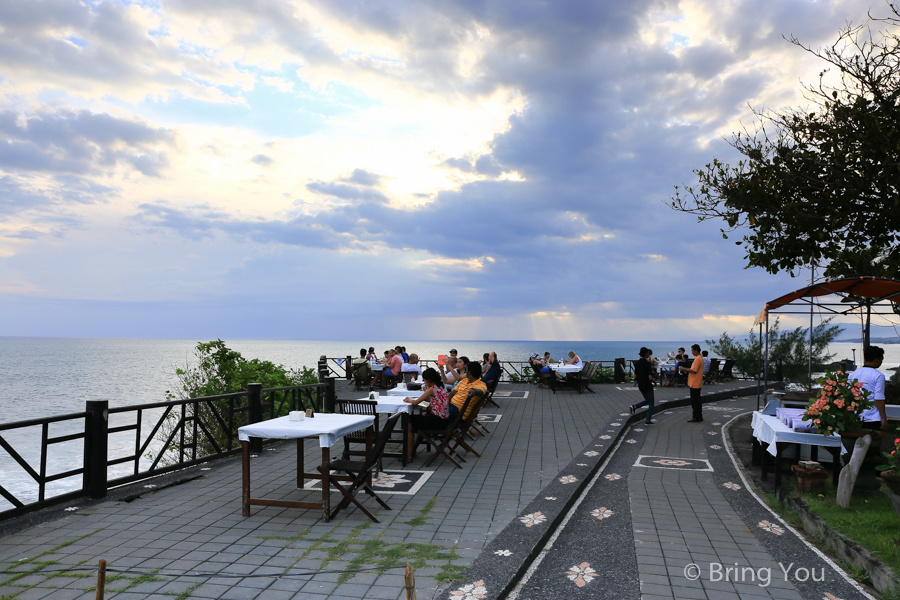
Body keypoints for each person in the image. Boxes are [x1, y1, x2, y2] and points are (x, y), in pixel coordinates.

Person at [850, 346, 887, 430]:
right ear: (877, 359)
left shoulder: (853, 374)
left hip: (856, 416)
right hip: (873, 418)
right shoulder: (878, 375)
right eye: (881, 360)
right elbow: (879, 398)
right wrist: (884, 418)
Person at [405, 368, 452, 432]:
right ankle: (422, 437)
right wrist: (426, 393)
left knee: (409, 420)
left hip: (437, 421)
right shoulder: (442, 386)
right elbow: (434, 401)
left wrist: (408, 399)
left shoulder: (432, 389)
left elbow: (415, 402)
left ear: (428, 380)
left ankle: (410, 441)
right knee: (418, 418)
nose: (425, 382)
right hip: (444, 420)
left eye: (424, 380)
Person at [630, 347, 656, 425]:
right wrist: (654, 382)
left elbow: (635, 376)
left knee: (647, 400)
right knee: (651, 403)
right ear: (647, 354)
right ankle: (648, 420)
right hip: (647, 384)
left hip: (640, 384)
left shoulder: (637, 363)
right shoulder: (647, 363)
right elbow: (650, 377)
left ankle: (635, 406)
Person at [680, 344, 705, 422]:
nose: (692, 352)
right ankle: (699, 416)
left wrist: (683, 368)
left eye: (692, 350)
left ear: (696, 350)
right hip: (698, 382)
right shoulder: (701, 358)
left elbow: (694, 370)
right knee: (698, 400)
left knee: (695, 401)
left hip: (695, 382)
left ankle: (696, 417)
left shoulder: (697, 359)